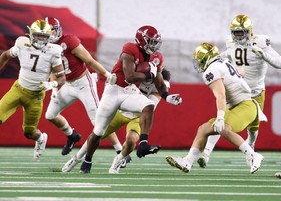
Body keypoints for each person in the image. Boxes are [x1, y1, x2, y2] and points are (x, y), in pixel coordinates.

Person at [79, 25, 182, 174]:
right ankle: (87, 159)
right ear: (141, 40)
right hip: (114, 91)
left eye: (155, 42)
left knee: (148, 105)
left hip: (129, 95)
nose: (153, 46)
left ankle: (144, 143)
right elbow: (130, 77)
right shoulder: (130, 49)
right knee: (98, 132)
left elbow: (159, 82)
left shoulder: (156, 58)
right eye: (150, 41)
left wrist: (167, 96)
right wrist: (149, 74)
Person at [197, 14, 281, 168]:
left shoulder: (261, 42)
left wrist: (265, 56)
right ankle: (206, 154)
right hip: (238, 91)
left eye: (241, 32)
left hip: (256, 91)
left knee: (253, 129)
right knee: (221, 120)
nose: (238, 36)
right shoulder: (230, 42)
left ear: (249, 31)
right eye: (235, 32)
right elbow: (228, 55)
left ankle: (251, 149)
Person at [166, 42, 267, 174]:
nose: (199, 64)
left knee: (223, 128)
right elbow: (240, 73)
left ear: (207, 58)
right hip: (243, 106)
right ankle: (188, 161)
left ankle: (252, 155)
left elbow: (221, 95)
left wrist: (220, 117)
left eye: (200, 60)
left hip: (245, 106)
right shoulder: (222, 62)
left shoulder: (211, 70)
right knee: (203, 129)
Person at [62, 68, 171, 174]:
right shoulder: (140, 72)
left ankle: (119, 160)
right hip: (122, 110)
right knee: (97, 133)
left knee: (131, 141)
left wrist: (136, 93)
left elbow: (151, 105)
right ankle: (77, 158)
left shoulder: (161, 85)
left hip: (139, 115)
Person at [43, 17, 125, 157]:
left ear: (58, 30)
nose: (50, 34)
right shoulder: (45, 46)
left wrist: (106, 73)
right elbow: (52, 69)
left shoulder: (69, 40)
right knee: (50, 115)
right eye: (47, 31)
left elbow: (89, 60)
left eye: (52, 30)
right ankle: (72, 135)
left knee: (98, 120)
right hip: (67, 84)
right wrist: (54, 89)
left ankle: (120, 150)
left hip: (83, 83)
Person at [0, 19, 66, 160]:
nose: (41, 39)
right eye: (38, 35)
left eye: (44, 36)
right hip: (18, 89)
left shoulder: (53, 51)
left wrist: (51, 85)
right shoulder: (22, 44)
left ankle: (41, 138)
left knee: (29, 132)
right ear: (31, 34)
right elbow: (5, 55)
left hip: (35, 96)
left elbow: (62, 78)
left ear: (49, 37)